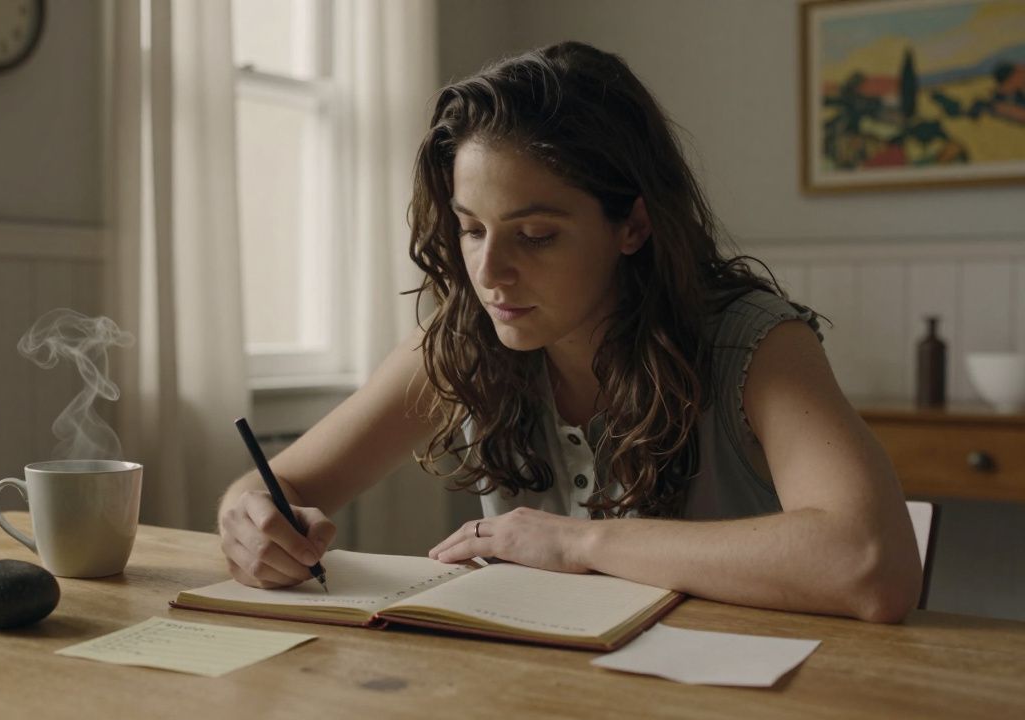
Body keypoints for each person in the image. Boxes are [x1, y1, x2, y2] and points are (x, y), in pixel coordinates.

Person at [215, 41, 922, 623]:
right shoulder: (465, 343)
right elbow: (275, 483)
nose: (490, 272)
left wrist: (583, 543)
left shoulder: (755, 343)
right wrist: (248, 522)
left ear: (633, 226)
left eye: (537, 235)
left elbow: (869, 562)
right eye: (470, 229)